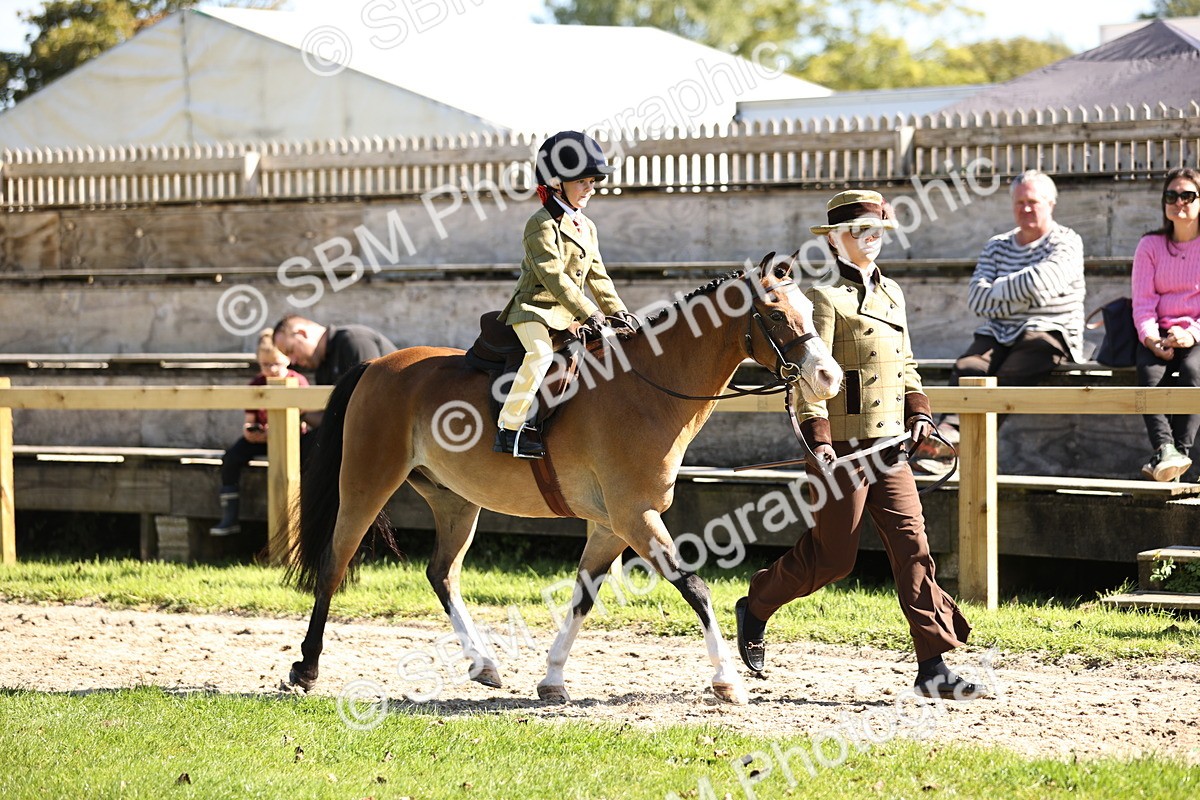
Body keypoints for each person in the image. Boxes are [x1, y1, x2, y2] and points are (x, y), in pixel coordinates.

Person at [734, 189, 985, 700]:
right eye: (860, 232)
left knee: (913, 548)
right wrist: (819, 441)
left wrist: (919, 412)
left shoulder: (893, 293)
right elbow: (809, 377)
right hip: (842, 451)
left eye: (878, 232)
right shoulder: (824, 299)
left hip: (891, 448)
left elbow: (908, 364)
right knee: (833, 560)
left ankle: (933, 666)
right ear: (833, 241)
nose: (872, 240)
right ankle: (756, 603)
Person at [918, 170, 1086, 465]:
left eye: (1033, 201)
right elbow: (976, 299)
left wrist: (998, 292)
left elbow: (1042, 287)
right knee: (968, 366)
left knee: (1012, 370)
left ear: (1051, 204)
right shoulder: (997, 245)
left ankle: (952, 445)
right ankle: (948, 438)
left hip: (1049, 332)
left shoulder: (1066, 242)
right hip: (999, 333)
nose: (1026, 208)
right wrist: (1023, 294)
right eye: (1020, 202)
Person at [493, 130, 637, 459]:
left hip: (570, 315)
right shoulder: (540, 224)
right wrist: (590, 313)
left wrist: (620, 314)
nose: (591, 187)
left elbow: (598, 276)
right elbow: (554, 277)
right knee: (541, 355)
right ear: (557, 182)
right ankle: (509, 429)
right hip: (534, 309)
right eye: (583, 181)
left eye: (593, 181)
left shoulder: (586, 226)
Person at [1132, 167, 1200, 482]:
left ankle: (1180, 454)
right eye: (1171, 195)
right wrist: (1149, 338)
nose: (1179, 202)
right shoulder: (1150, 246)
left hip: (1195, 334)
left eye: (1188, 195)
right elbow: (1142, 302)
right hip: (1157, 334)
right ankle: (1165, 449)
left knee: (1192, 373)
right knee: (1149, 377)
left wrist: (1190, 334)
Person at [211, 330, 312, 536]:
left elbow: (305, 418)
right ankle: (230, 516)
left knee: (307, 461)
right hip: (263, 436)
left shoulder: (298, 382)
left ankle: (304, 516)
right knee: (231, 458)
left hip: (292, 438)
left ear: (287, 361)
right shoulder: (257, 384)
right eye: (265, 365)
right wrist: (251, 433)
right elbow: (250, 421)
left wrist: (289, 430)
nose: (271, 369)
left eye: (276, 364)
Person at [272, 315, 397, 428]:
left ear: (301, 333)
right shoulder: (321, 364)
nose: (292, 361)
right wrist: (302, 411)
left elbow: (367, 407)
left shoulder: (354, 341)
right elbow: (332, 422)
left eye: (291, 350)